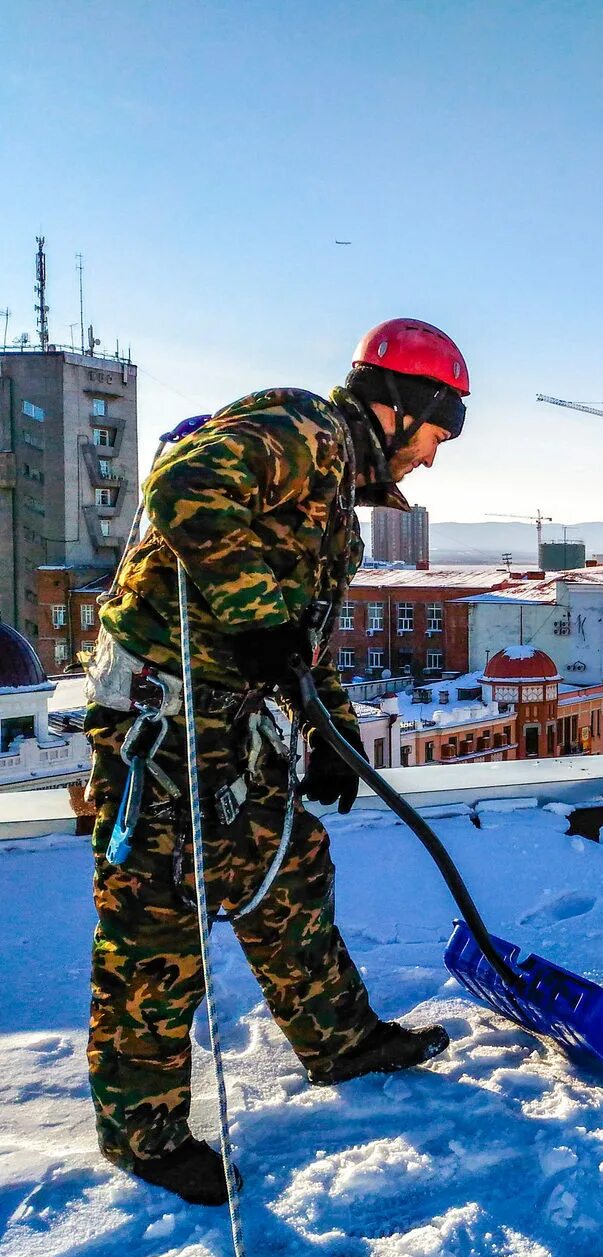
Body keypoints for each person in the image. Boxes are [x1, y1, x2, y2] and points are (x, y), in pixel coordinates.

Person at [84, 319, 471, 1204]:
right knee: (158, 926)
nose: (429, 459)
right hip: (166, 728)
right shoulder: (306, 430)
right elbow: (184, 484)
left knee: (289, 874)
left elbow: (299, 643)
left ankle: (341, 1041)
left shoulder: (335, 507)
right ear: (400, 405)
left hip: (237, 729)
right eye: (433, 436)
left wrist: (333, 732)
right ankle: (143, 1135)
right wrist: (258, 620)